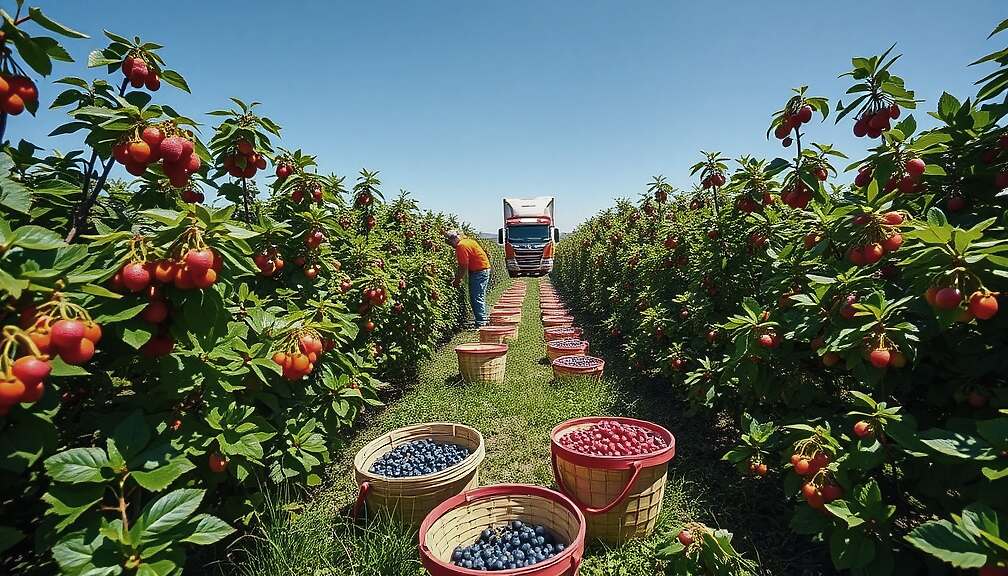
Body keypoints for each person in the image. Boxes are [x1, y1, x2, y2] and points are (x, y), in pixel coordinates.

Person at [445, 229, 491, 328]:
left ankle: (481, 322)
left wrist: (457, 281)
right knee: (479, 295)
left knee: (476, 297)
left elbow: (463, 266)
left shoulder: (461, 246)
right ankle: (483, 318)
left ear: (453, 239)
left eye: (449, 242)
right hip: (482, 269)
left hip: (479, 271)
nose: (451, 246)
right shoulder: (469, 241)